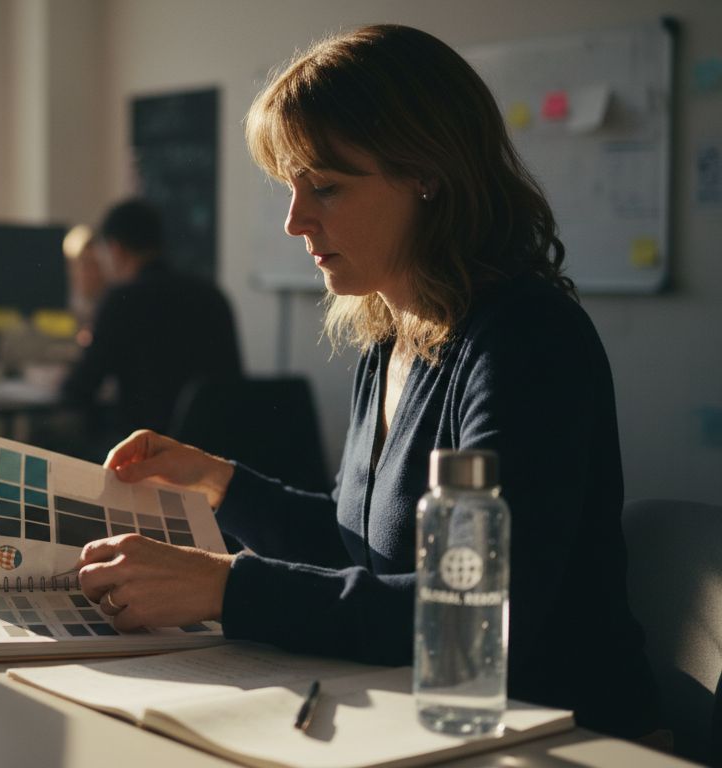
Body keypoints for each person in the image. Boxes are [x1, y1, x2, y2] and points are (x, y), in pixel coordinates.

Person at [72, 25, 658, 739]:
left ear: (426, 174)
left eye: (325, 187)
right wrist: (217, 481)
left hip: (556, 734)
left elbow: (474, 615)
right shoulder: (391, 337)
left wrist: (225, 586)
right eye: (290, 188)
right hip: (426, 717)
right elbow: (366, 547)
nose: (295, 220)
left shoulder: (526, 340)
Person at [60, 198, 242, 445]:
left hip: (145, 452)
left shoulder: (122, 300)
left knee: (53, 440)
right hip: (214, 450)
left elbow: (78, 390)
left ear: (115, 249)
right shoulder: (211, 295)